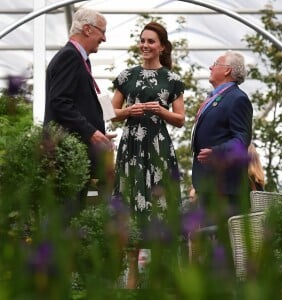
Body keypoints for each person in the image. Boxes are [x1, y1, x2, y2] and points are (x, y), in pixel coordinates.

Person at [111, 22, 185, 288]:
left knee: (160, 205)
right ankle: (131, 275)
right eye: (142, 40)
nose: (145, 45)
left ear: (162, 46)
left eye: (151, 41)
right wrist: (130, 111)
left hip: (158, 149)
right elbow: (111, 112)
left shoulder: (172, 79)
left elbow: (180, 119)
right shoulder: (126, 76)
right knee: (131, 203)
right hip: (131, 147)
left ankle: (162, 274)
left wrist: (160, 111)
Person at [44, 8, 116, 223]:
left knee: (73, 212)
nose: (104, 38)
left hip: (76, 152)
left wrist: (98, 133)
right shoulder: (70, 57)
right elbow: (60, 101)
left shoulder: (79, 59)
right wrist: (91, 132)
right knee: (64, 214)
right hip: (68, 154)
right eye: (101, 31)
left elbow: (74, 103)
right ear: (87, 29)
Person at [191, 50, 253, 226]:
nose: (211, 67)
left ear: (227, 70)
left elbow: (242, 140)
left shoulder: (237, 98)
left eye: (215, 63)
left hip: (225, 188)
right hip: (209, 185)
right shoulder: (218, 97)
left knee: (223, 246)